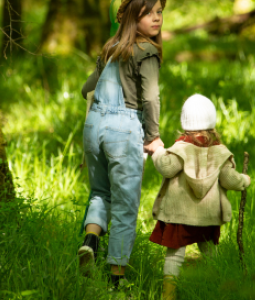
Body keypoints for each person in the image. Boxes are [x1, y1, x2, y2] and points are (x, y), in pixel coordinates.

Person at [78, 0, 166, 288]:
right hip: (123, 128)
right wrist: (152, 137)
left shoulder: (111, 48)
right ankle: (117, 281)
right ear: (132, 17)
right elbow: (151, 98)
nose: (156, 18)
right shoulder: (148, 51)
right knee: (126, 207)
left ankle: (90, 242)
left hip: (94, 126)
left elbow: (86, 89)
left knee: (100, 192)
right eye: (148, 13)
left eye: (159, 12)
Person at [149, 94, 251, 300]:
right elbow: (230, 180)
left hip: (180, 214)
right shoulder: (220, 152)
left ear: (185, 123)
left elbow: (167, 168)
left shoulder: (180, 149)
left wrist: (158, 151)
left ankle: (168, 295)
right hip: (208, 215)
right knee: (210, 251)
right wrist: (244, 180)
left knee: (175, 254)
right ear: (211, 124)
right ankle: (218, 288)